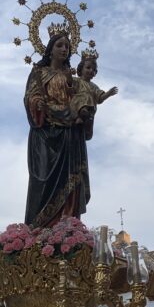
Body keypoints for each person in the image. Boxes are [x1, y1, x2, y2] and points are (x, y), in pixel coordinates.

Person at [24, 30, 91, 228]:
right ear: (50, 49)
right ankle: (38, 229)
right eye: (60, 45)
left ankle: (67, 228)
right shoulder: (39, 73)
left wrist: (83, 111)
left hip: (70, 133)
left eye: (67, 47)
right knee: (42, 180)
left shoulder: (72, 77)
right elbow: (30, 96)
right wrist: (37, 104)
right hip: (45, 133)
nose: (64, 49)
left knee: (70, 183)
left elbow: (82, 99)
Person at [70, 50, 118, 141]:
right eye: (88, 68)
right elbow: (68, 86)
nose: (91, 70)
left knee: (86, 125)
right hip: (75, 107)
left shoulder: (94, 86)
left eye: (94, 70)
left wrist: (108, 94)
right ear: (81, 69)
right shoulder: (76, 80)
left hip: (89, 112)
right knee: (86, 96)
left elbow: (99, 98)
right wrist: (68, 73)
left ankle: (86, 122)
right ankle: (79, 116)